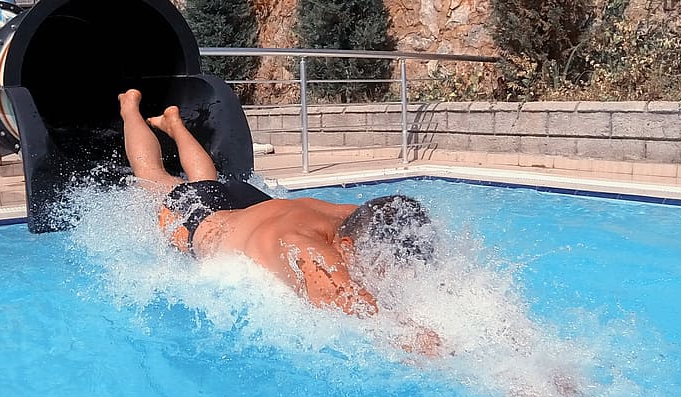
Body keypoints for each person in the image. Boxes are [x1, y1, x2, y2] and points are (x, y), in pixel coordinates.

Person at [117, 89, 441, 354]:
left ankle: (174, 124)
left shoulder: (358, 218)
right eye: (379, 265)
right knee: (154, 177)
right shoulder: (304, 251)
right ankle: (129, 106)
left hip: (251, 206)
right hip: (202, 219)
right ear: (346, 245)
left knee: (207, 180)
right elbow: (371, 320)